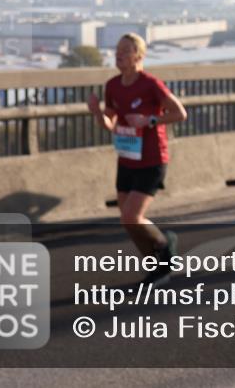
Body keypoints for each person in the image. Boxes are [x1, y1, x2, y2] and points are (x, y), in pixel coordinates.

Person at [87, 33, 188, 286]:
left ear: (139, 56)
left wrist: (150, 120)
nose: (118, 54)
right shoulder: (112, 86)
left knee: (131, 216)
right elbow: (110, 124)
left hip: (153, 159)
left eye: (124, 51)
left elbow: (180, 113)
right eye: (116, 50)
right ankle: (156, 267)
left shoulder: (150, 84)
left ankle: (165, 247)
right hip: (127, 158)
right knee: (128, 221)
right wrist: (97, 113)